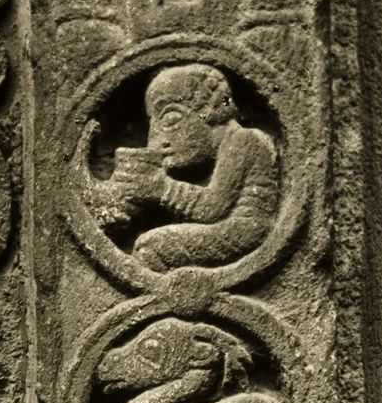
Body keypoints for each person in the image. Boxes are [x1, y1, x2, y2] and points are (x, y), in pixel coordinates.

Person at [93, 64, 279, 270]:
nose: (156, 141)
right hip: (226, 229)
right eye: (152, 126)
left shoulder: (244, 140)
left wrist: (162, 188)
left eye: (171, 119)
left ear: (207, 112)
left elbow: (214, 208)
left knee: (151, 247)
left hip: (245, 230)